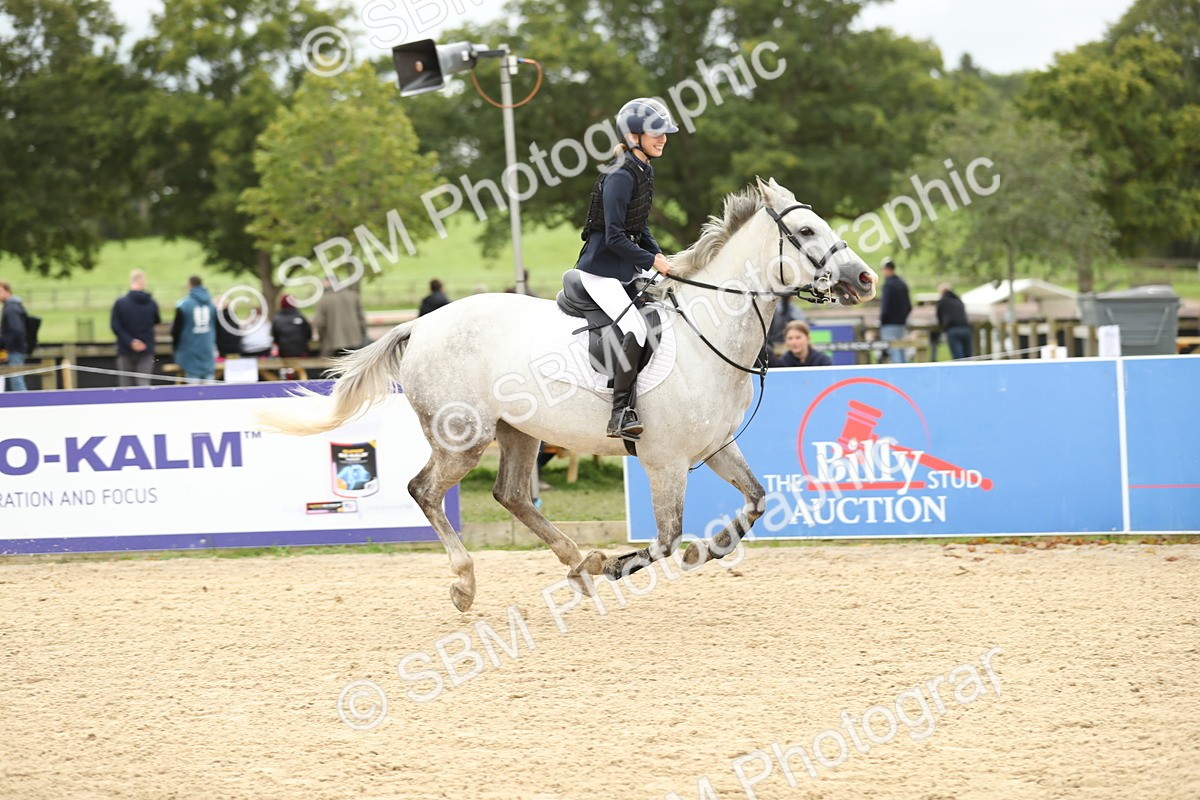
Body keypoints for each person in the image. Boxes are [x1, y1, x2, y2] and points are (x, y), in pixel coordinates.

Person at [573, 97, 677, 440]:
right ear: (634, 136)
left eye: (664, 133)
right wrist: (650, 261)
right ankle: (620, 412)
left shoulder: (643, 168)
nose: (662, 138)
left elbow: (639, 226)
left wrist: (662, 259)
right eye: (655, 133)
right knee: (634, 326)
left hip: (624, 268)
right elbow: (616, 236)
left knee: (665, 308)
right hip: (600, 269)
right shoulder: (620, 174)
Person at [110, 269, 161, 386]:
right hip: (146, 347)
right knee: (143, 382)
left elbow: (115, 326)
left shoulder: (120, 303)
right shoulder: (151, 303)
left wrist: (131, 342)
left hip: (125, 348)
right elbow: (156, 320)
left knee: (125, 384)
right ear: (143, 282)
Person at [171, 276, 218, 381]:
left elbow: (176, 330)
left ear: (189, 285)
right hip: (207, 349)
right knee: (210, 390)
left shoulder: (184, 305)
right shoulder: (212, 305)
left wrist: (175, 349)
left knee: (193, 390)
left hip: (190, 351)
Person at [313, 279, 368, 357]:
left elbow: (320, 323)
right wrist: (362, 333)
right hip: (355, 340)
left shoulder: (324, 299)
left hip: (333, 344)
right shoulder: (353, 295)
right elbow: (361, 319)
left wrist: (323, 338)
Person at [878, 258, 912, 363]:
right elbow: (909, 306)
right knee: (901, 350)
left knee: (894, 350)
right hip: (901, 324)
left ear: (887, 269)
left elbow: (885, 307)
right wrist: (903, 318)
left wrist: (882, 320)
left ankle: (900, 375)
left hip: (889, 324)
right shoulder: (902, 284)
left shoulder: (888, 285)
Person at [0, 280, 30, 391]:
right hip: (13, 348)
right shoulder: (12, 307)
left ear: (7, 291)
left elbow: (16, 330)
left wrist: (6, 348)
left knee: (16, 379)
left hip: (14, 349)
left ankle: (25, 405)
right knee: (11, 379)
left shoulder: (11, 308)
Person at [936, 282, 973, 360]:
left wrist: (942, 328)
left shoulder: (942, 301)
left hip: (953, 329)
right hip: (966, 328)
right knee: (968, 356)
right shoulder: (958, 300)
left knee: (958, 356)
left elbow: (939, 317)